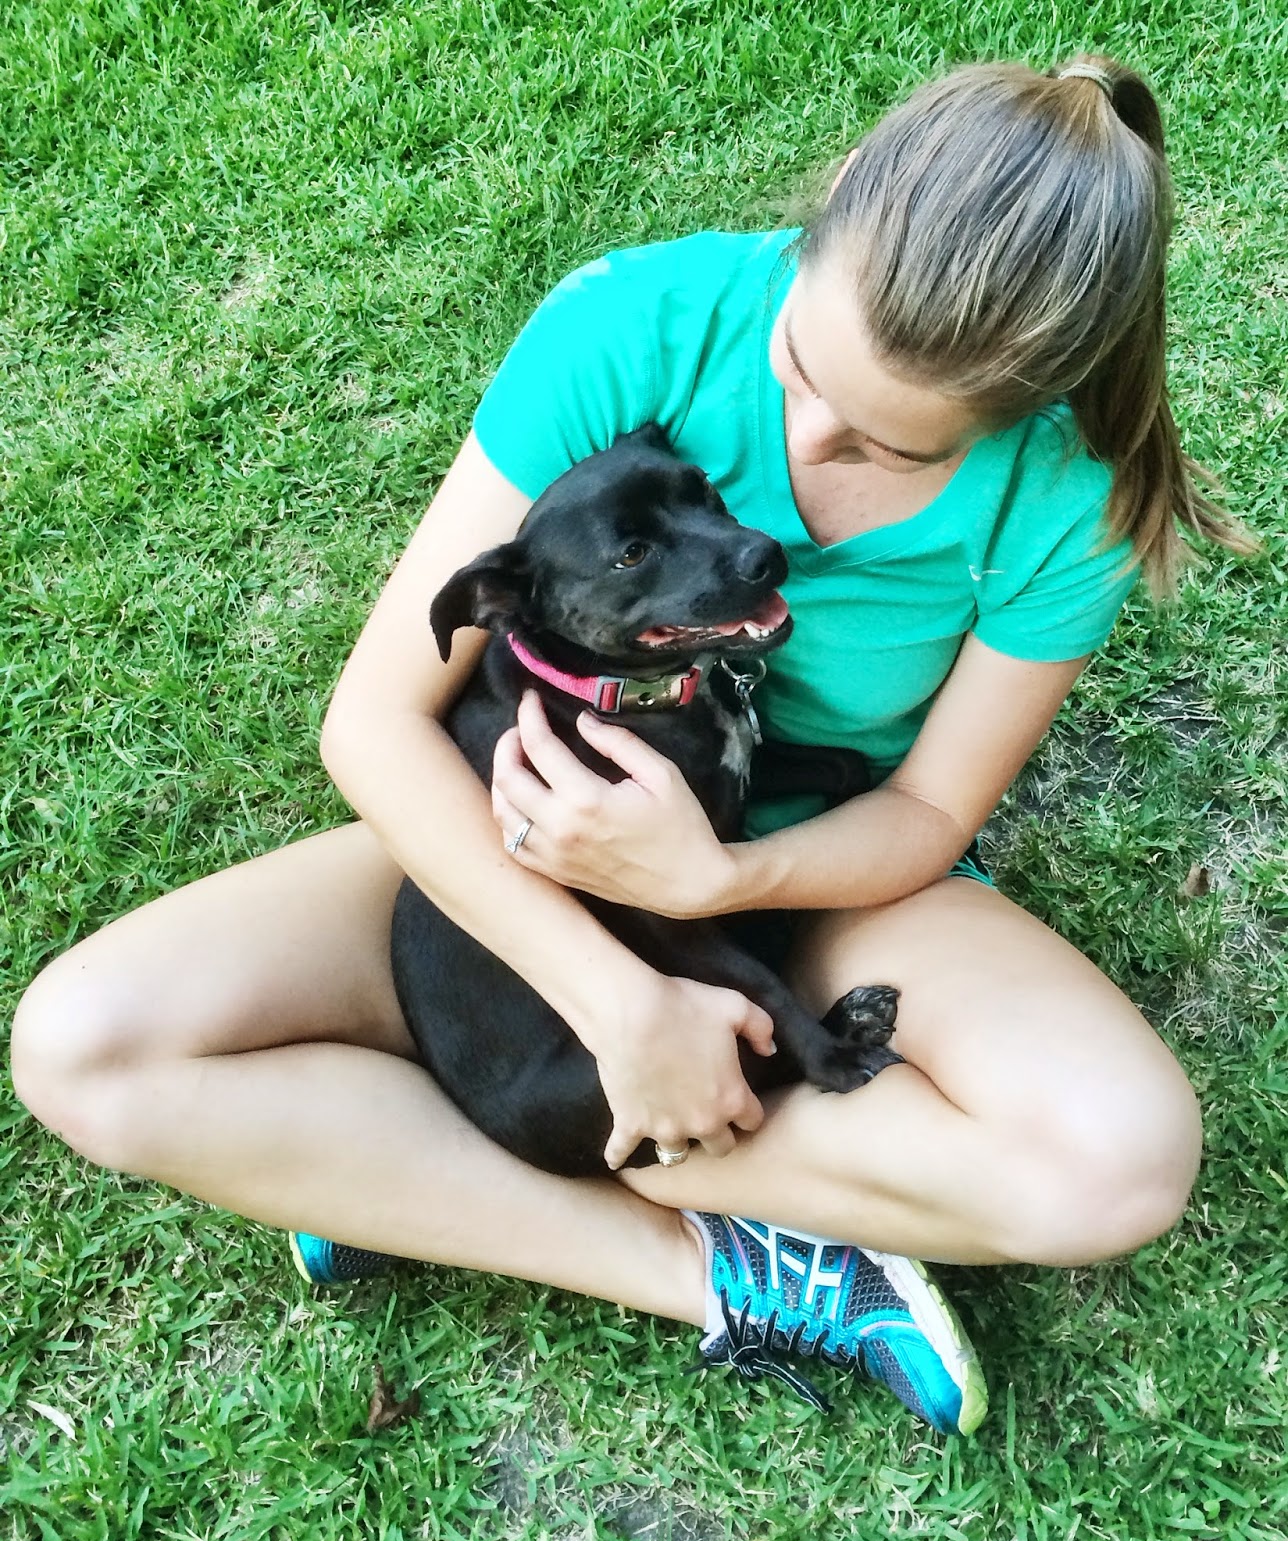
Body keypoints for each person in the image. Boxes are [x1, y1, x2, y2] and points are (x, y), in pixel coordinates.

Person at [12, 56, 1249, 1437]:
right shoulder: (636, 325)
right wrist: (620, 1008)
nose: (809, 441)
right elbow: (374, 720)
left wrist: (716, 884)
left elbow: (927, 811)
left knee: (1120, 1166)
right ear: (840, 193)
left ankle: (400, 1168)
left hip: (819, 876)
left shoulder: (1070, 499)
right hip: (527, 844)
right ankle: (715, 1269)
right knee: (84, 1048)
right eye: (802, 371)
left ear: (1027, 404)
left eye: (890, 450)